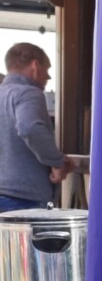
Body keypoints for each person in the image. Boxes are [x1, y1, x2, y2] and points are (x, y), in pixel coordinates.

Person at [0, 42, 71, 213]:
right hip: (23, 200)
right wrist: (56, 161)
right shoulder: (28, 93)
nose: (48, 77)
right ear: (35, 66)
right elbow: (29, 128)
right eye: (47, 69)